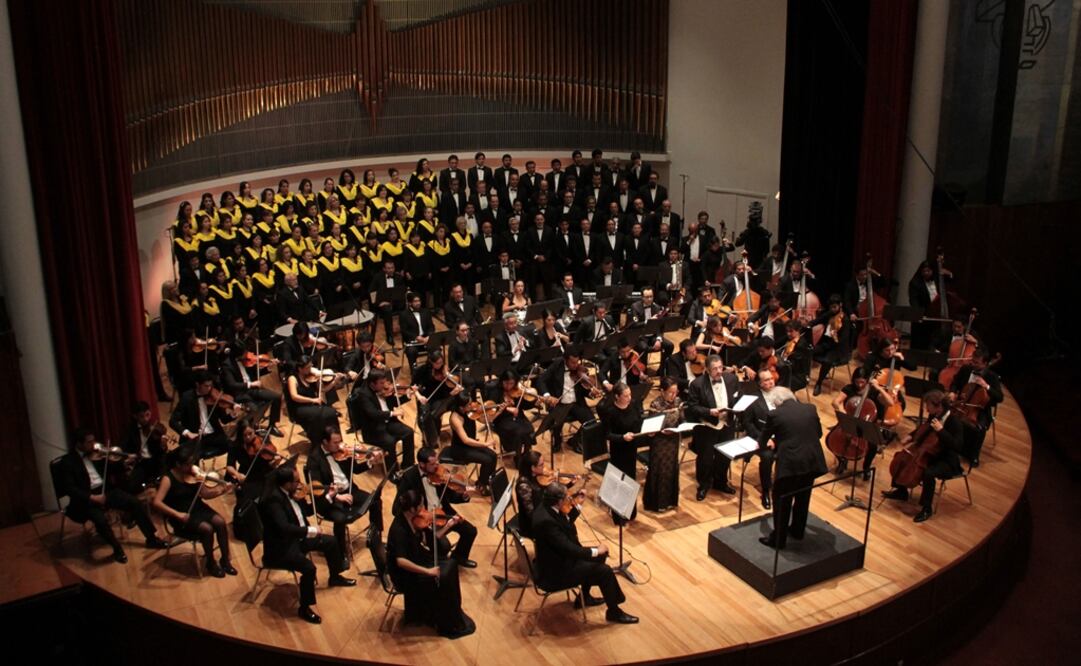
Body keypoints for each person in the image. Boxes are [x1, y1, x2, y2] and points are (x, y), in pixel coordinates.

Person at [260, 465, 356, 624]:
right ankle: (304, 608)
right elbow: (284, 528)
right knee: (309, 568)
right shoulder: (274, 502)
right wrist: (310, 530)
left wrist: (329, 496)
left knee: (331, 542)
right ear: (287, 484)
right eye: (296, 481)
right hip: (282, 548)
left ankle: (335, 576)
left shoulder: (294, 494)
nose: (300, 484)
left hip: (299, 538)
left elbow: (310, 511)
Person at [531, 483, 638, 624]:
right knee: (605, 571)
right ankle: (614, 612)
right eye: (567, 497)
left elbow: (564, 525)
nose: (569, 499)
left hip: (556, 560)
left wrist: (578, 506)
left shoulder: (546, 506)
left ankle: (584, 597)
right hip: (555, 573)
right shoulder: (547, 522)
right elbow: (569, 548)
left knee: (600, 556)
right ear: (559, 501)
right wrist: (595, 550)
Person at [58, 428, 168, 563]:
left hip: (105, 490)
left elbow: (110, 470)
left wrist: (125, 463)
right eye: (89, 442)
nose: (94, 445)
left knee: (135, 503)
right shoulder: (68, 462)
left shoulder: (97, 455)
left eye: (93, 441)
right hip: (86, 498)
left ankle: (152, 539)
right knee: (100, 520)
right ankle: (117, 549)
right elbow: (70, 488)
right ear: (79, 444)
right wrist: (92, 497)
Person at [386, 490, 475, 638]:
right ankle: (442, 620)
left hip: (417, 558)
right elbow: (401, 561)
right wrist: (428, 571)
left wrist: (449, 525)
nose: (424, 509)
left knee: (451, 565)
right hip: (405, 574)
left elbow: (434, 539)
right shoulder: (399, 529)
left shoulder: (414, 520)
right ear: (412, 509)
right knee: (443, 576)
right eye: (421, 506)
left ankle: (451, 613)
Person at [304, 427, 386, 569]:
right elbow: (316, 487)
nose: (339, 445)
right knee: (340, 519)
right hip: (330, 500)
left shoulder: (342, 452)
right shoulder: (314, 460)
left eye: (340, 441)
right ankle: (341, 553)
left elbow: (356, 469)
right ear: (325, 442)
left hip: (350, 491)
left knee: (375, 500)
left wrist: (370, 462)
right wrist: (337, 496)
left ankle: (375, 537)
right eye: (335, 442)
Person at [756, 392, 826, 549]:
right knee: (803, 497)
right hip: (811, 461)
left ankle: (778, 540)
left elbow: (762, 441)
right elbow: (819, 433)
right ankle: (797, 531)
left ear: (777, 402)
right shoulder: (810, 408)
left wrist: (776, 441)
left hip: (791, 464)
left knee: (782, 500)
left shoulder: (775, 414)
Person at [152, 445, 236, 576]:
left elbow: (205, 494)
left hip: (197, 508)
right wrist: (178, 515)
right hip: (180, 515)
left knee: (220, 522)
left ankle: (225, 560)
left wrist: (222, 490)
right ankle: (210, 563)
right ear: (178, 464)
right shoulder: (167, 479)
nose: (191, 466)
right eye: (188, 464)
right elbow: (156, 503)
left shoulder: (193, 474)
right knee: (207, 529)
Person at [882, 390, 965, 522]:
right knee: (903, 459)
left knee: (928, 473)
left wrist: (941, 431)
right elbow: (924, 429)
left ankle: (927, 508)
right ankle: (901, 491)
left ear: (939, 406)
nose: (926, 409)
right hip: (928, 453)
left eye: (928, 406)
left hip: (946, 459)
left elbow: (957, 446)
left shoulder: (954, 422)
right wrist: (911, 436)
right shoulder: (935, 415)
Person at [394, 447, 478, 568]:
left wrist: (464, 496)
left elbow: (451, 496)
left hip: (443, 512)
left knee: (470, 531)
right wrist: (417, 517)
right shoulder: (409, 477)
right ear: (422, 464)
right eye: (432, 464)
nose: (437, 465)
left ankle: (459, 557)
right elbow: (397, 507)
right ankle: (438, 565)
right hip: (425, 518)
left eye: (437, 461)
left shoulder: (440, 474)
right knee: (443, 546)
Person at [685, 355, 739, 500]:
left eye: (720, 367)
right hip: (708, 426)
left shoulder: (731, 379)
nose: (719, 371)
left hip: (727, 424)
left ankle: (720, 482)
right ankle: (704, 485)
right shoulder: (697, 384)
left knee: (724, 456)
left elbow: (737, 397)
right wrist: (709, 411)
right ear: (708, 370)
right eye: (715, 369)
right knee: (706, 458)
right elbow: (692, 407)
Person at [741, 371, 798, 509]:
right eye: (766, 380)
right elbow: (747, 423)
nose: (771, 382)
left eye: (772, 378)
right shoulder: (752, 399)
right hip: (762, 438)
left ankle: (786, 487)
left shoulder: (783, 394)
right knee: (767, 457)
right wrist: (764, 439)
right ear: (760, 383)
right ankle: (766, 491)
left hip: (781, 437)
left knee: (795, 451)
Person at [598, 382, 649, 522]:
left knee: (630, 479)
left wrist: (646, 432)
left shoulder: (634, 405)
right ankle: (618, 515)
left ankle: (630, 511)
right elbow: (607, 434)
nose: (629, 398)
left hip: (631, 449)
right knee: (620, 481)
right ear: (617, 396)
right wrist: (622, 437)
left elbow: (638, 423)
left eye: (629, 394)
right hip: (618, 451)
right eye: (626, 396)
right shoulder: (610, 412)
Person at [831, 367, 895, 479]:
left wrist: (879, 388)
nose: (860, 385)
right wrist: (844, 412)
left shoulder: (874, 392)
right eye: (857, 382)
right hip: (851, 421)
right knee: (836, 438)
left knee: (873, 446)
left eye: (862, 382)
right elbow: (835, 402)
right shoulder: (849, 388)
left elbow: (890, 403)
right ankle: (842, 461)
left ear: (867, 380)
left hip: (867, 424)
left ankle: (866, 467)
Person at [348, 369, 416, 468]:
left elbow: (393, 402)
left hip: (388, 423)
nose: (385, 385)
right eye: (381, 383)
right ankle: (392, 470)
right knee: (390, 442)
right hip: (373, 429)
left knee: (408, 432)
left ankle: (408, 465)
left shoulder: (382, 390)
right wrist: (392, 413)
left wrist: (407, 396)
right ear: (372, 384)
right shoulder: (363, 395)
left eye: (385, 382)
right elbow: (373, 413)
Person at [946, 347, 1002, 467]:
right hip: (961, 403)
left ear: (985, 363)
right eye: (972, 360)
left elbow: (1000, 397)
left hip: (980, 409)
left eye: (976, 363)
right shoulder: (966, 369)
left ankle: (974, 455)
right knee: (945, 414)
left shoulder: (991, 377)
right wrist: (952, 392)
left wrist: (986, 386)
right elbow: (955, 382)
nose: (973, 364)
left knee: (980, 427)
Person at [538, 349, 596, 453]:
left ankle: (575, 440)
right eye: (572, 362)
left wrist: (590, 393)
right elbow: (541, 380)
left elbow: (583, 390)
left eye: (577, 362)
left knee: (591, 422)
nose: (576, 365)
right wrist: (547, 396)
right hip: (560, 403)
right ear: (565, 360)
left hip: (576, 403)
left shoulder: (579, 370)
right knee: (556, 423)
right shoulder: (556, 365)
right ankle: (557, 440)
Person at [169, 370, 233, 459]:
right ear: (197, 384)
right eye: (206, 386)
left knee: (233, 446)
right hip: (195, 437)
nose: (209, 389)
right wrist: (188, 433)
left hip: (214, 434)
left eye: (211, 385)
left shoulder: (214, 397)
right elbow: (173, 421)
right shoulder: (187, 397)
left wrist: (232, 415)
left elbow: (224, 419)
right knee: (187, 458)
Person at [220, 345, 283, 435]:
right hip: (240, 393)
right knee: (255, 408)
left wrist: (267, 366)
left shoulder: (246, 360)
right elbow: (232, 384)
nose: (247, 354)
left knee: (276, 397)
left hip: (252, 390)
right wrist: (250, 384)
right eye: (244, 353)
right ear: (237, 354)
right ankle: (244, 427)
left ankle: (272, 426)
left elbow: (255, 373)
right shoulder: (227, 365)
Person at [443, 394, 497, 495]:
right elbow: (465, 440)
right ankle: (482, 485)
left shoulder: (470, 413)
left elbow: (486, 421)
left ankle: (484, 481)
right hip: (460, 449)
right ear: (461, 407)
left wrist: (499, 411)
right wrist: (485, 444)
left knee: (493, 455)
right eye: (469, 404)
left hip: (471, 445)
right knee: (488, 460)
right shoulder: (455, 418)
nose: (472, 405)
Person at [645, 377, 682, 511]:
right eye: (670, 392)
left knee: (671, 469)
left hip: (673, 441)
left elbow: (682, 419)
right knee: (660, 470)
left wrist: (683, 426)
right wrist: (660, 431)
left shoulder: (678, 401)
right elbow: (651, 427)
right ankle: (657, 504)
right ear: (662, 391)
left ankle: (670, 501)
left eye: (675, 392)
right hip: (659, 442)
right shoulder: (655, 405)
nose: (673, 395)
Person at [284, 356, 342, 438]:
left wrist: (335, 381)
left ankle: (334, 439)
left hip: (312, 406)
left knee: (332, 413)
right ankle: (319, 438)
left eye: (310, 366)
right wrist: (312, 400)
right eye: (307, 368)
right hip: (299, 408)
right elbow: (294, 396)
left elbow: (324, 389)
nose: (310, 369)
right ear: (300, 369)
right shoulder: (292, 378)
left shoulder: (312, 377)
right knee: (325, 414)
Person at [119, 401, 168, 493]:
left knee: (165, 480)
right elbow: (123, 446)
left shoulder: (155, 428)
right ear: (135, 416)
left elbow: (161, 451)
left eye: (147, 415)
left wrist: (163, 445)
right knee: (131, 486)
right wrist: (129, 456)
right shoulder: (130, 429)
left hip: (155, 459)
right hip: (140, 462)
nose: (146, 419)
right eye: (142, 416)